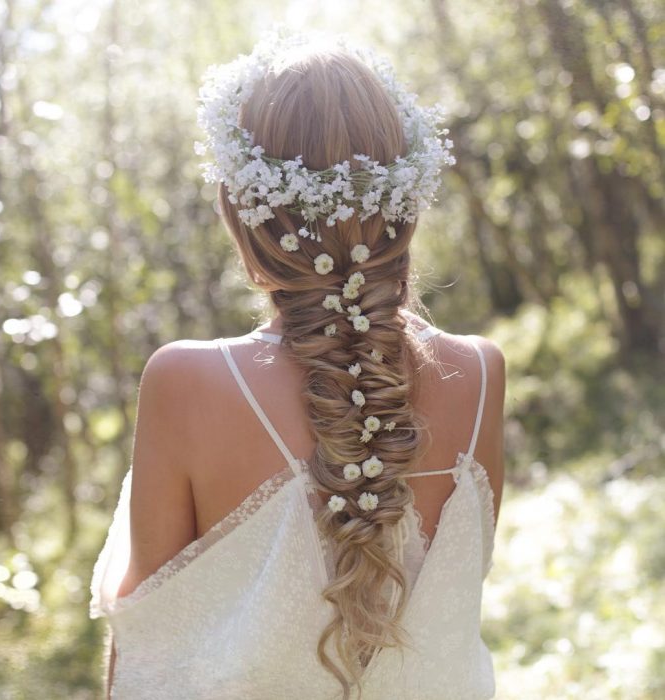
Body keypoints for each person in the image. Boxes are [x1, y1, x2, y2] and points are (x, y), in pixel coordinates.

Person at [89, 28, 506, 700]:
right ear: (405, 208)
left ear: (242, 212)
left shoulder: (185, 383)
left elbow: (147, 640)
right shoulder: (481, 377)